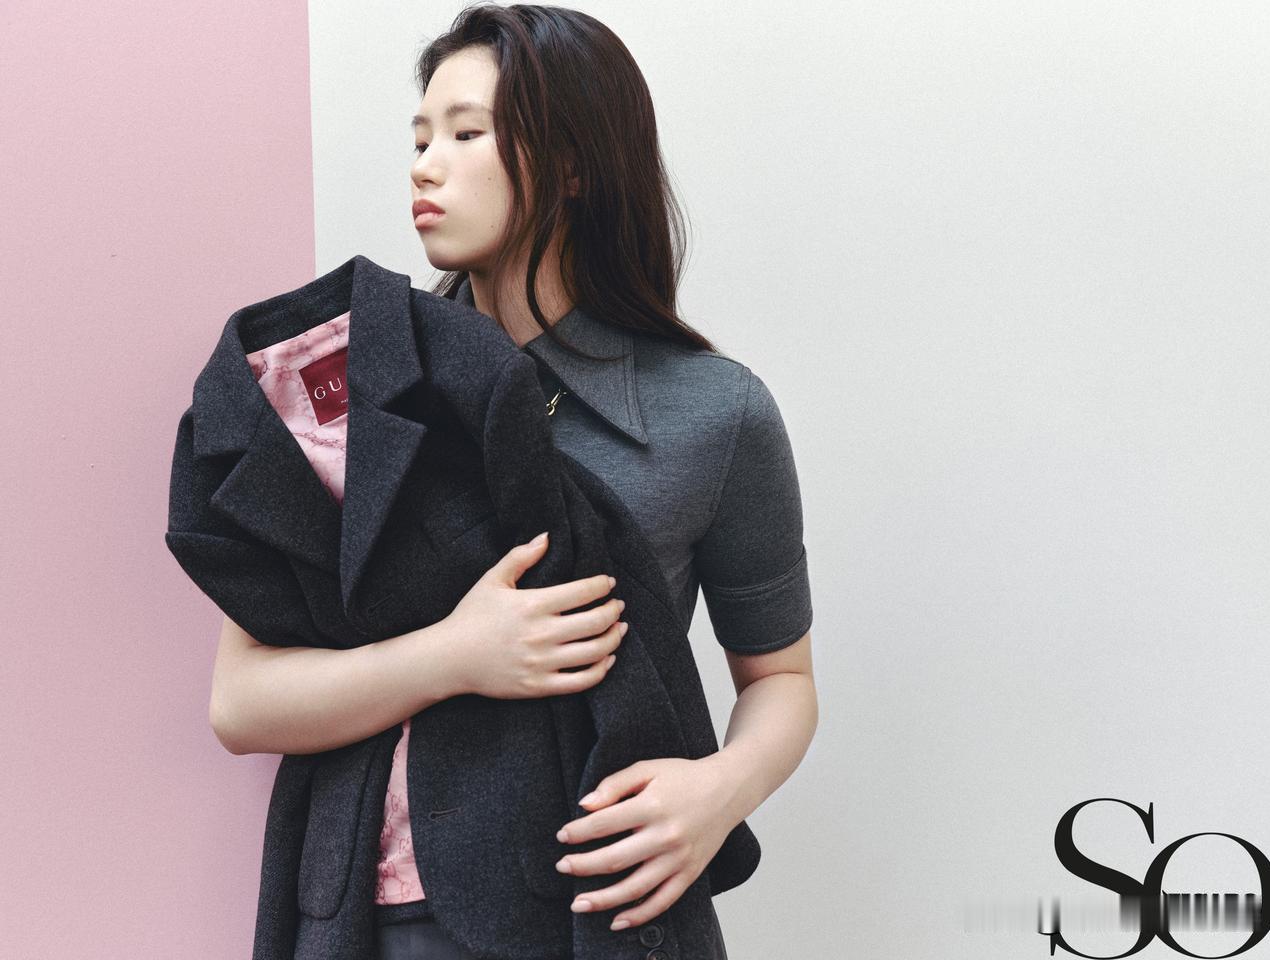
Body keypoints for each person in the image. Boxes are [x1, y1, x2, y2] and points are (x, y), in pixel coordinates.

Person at [211, 5, 818, 958]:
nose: (425, 165)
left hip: (601, 913)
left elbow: (781, 678)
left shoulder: (716, 414)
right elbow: (241, 702)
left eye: (465, 134)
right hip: (363, 921)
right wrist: (455, 655)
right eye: (420, 138)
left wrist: (718, 791)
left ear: (572, 163)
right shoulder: (350, 397)